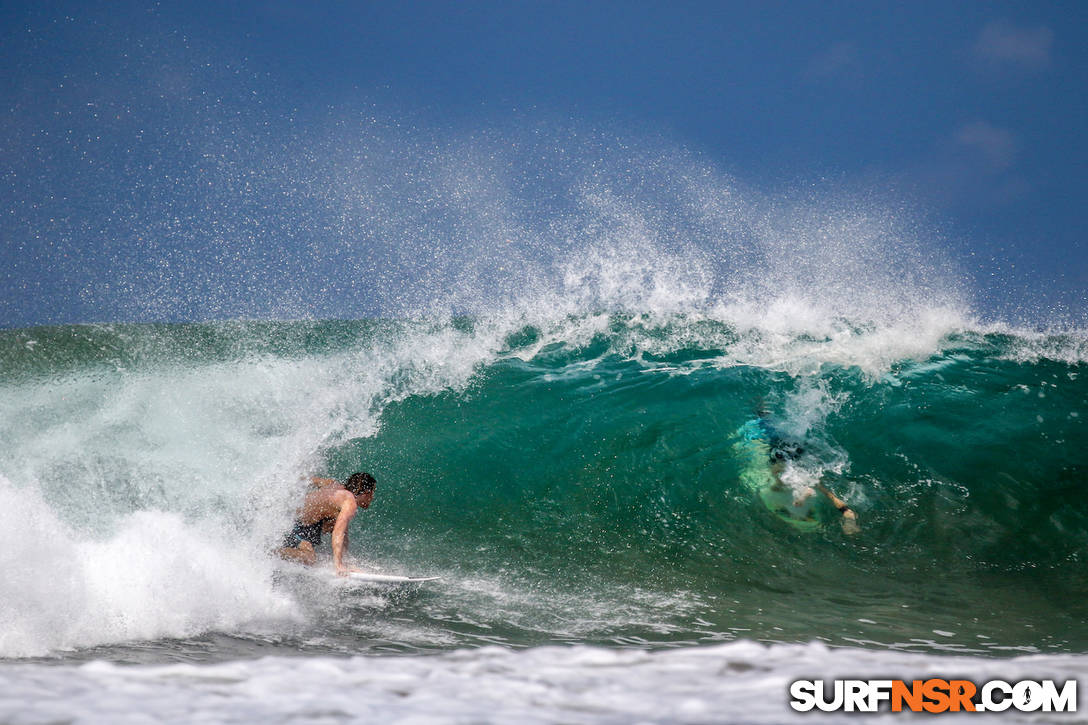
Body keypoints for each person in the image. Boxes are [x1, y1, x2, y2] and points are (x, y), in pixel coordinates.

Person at [734, 417, 859, 535]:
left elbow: (840, 505)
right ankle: (761, 415)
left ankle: (762, 416)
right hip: (785, 449)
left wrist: (849, 520)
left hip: (788, 452)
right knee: (765, 425)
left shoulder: (805, 477)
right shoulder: (799, 475)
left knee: (769, 431)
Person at [277, 472, 376, 574]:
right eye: (373, 493)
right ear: (366, 493)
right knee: (309, 558)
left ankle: (345, 561)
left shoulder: (334, 486)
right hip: (298, 526)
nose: (372, 498)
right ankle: (271, 552)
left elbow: (309, 480)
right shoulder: (350, 502)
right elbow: (338, 532)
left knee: (337, 522)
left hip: (292, 518)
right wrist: (338, 566)